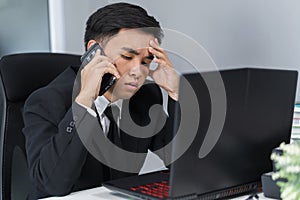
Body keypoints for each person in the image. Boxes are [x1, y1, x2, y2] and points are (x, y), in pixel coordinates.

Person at [23, 2, 179, 199]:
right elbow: (52, 185)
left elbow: (183, 163)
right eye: (127, 56)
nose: (137, 71)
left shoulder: (145, 97)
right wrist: (83, 105)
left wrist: (175, 95)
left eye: (146, 62)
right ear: (94, 51)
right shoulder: (46, 102)